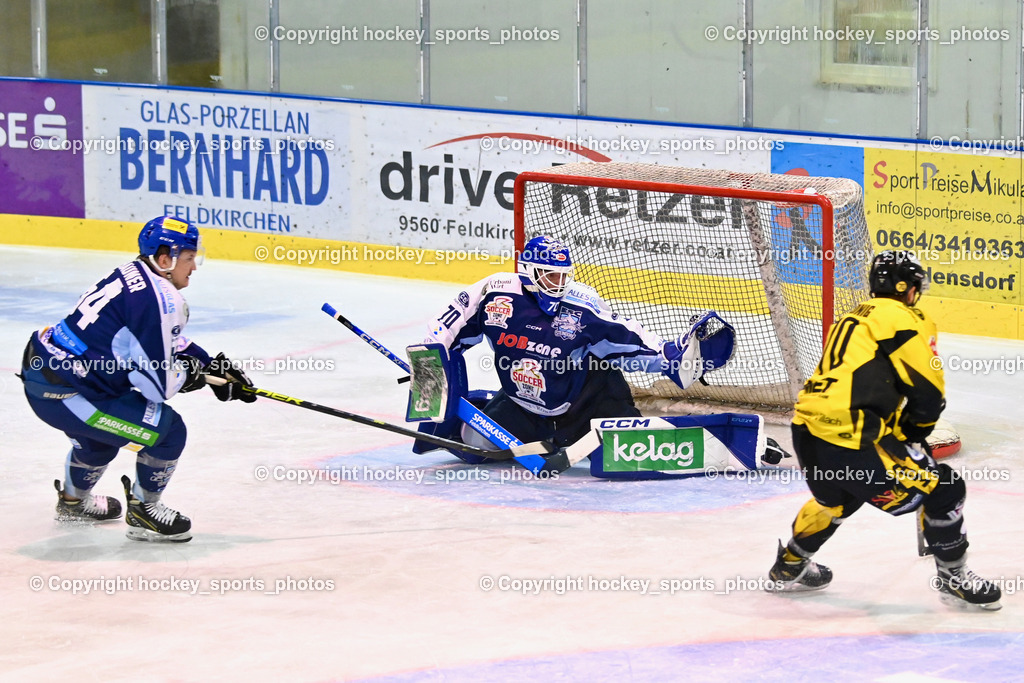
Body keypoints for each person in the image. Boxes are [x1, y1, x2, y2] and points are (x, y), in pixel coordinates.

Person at [766, 250, 1001, 610]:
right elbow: (928, 394)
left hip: (806, 431)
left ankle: (790, 565)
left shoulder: (853, 317)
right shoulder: (905, 320)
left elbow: (859, 383)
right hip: (850, 439)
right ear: (906, 288)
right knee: (946, 489)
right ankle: (954, 576)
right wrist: (912, 433)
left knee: (837, 500)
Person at [19, 216, 255, 543]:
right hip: (70, 394)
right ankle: (145, 511)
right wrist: (195, 375)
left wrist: (210, 363)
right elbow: (157, 386)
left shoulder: (133, 273)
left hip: (49, 378)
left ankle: (74, 503)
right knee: (169, 431)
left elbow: (152, 340)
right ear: (165, 259)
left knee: (99, 441)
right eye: (189, 258)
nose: (194, 267)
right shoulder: (162, 299)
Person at [419, 235, 751, 457]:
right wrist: (428, 371)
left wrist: (669, 357)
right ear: (528, 271)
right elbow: (443, 331)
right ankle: (483, 405)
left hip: (586, 399)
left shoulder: (582, 304)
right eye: (551, 276)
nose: (559, 284)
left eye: (564, 276)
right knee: (473, 446)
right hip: (523, 404)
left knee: (630, 451)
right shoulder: (495, 293)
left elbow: (627, 337)